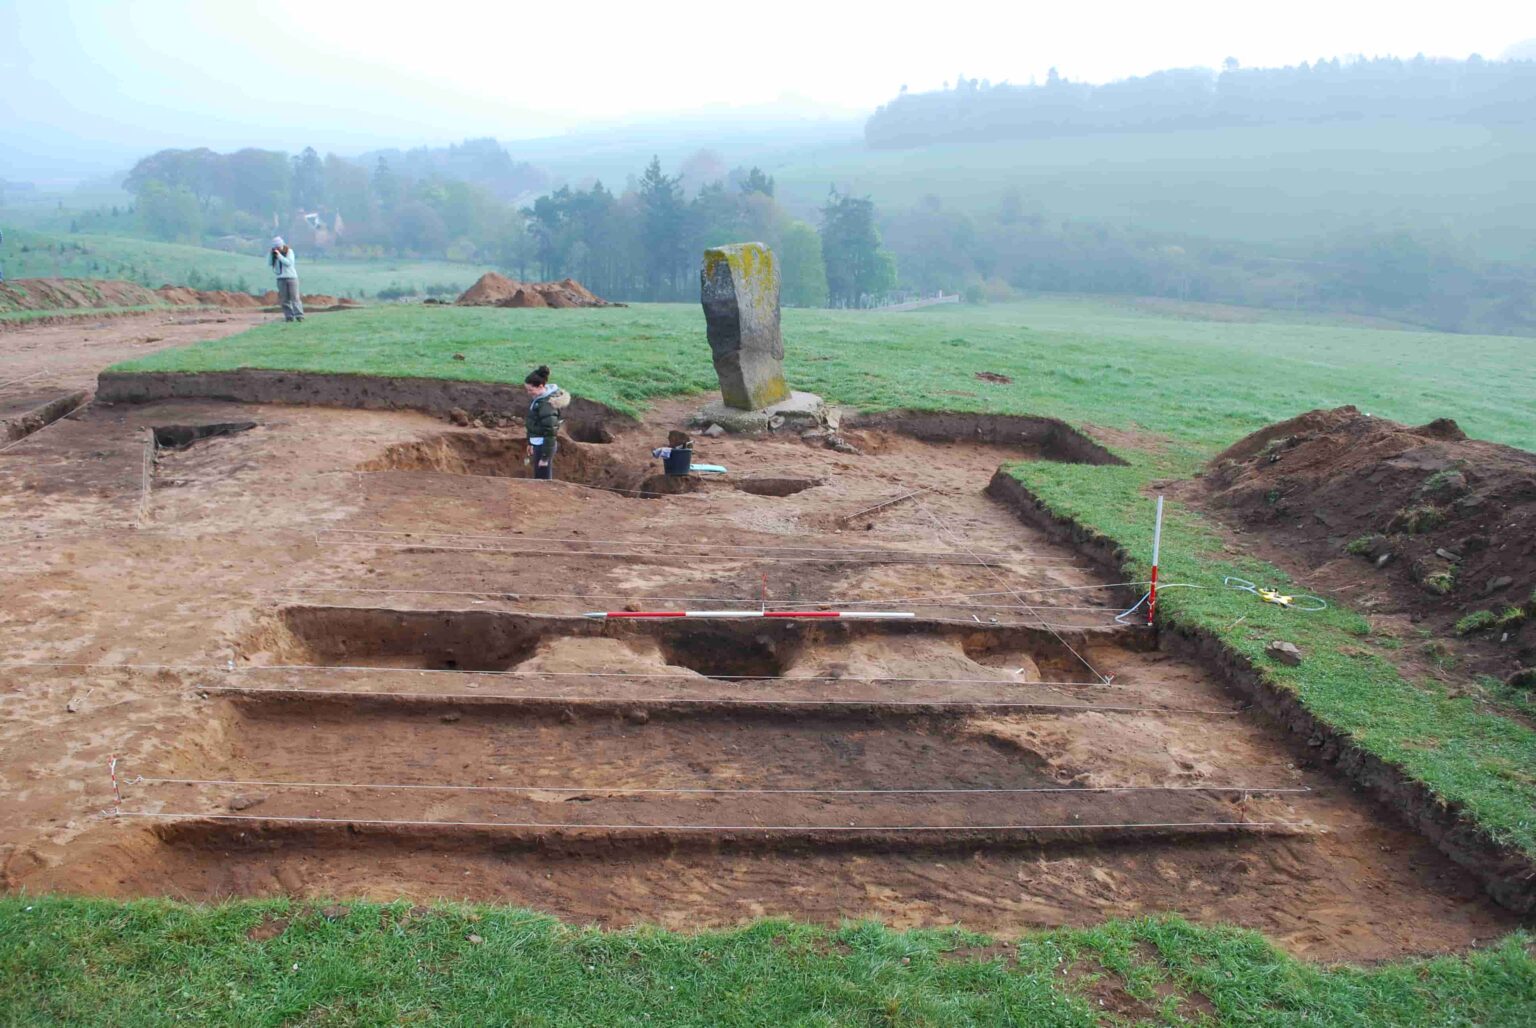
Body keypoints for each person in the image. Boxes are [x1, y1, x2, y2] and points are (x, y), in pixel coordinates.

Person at [523, 365, 570, 480]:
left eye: (530, 390)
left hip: (543, 446)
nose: (528, 392)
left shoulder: (547, 405)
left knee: (543, 480)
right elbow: (533, 423)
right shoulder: (539, 399)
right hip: (538, 444)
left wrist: (545, 458)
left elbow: (550, 433)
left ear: (540, 386)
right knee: (540, 477)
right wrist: (530, 442)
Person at [268, 236, 303, 322]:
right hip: (280, 278)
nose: (278, 248)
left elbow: (288, 263)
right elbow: (269, 263)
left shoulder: (289, 251)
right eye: (276, 247)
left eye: (279, 246)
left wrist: (279, 256)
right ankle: (289, 316)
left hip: (291, 277)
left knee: (295, 297)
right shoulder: (274, 254)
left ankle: (299, 315)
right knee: (284, 299)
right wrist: (271, 255)